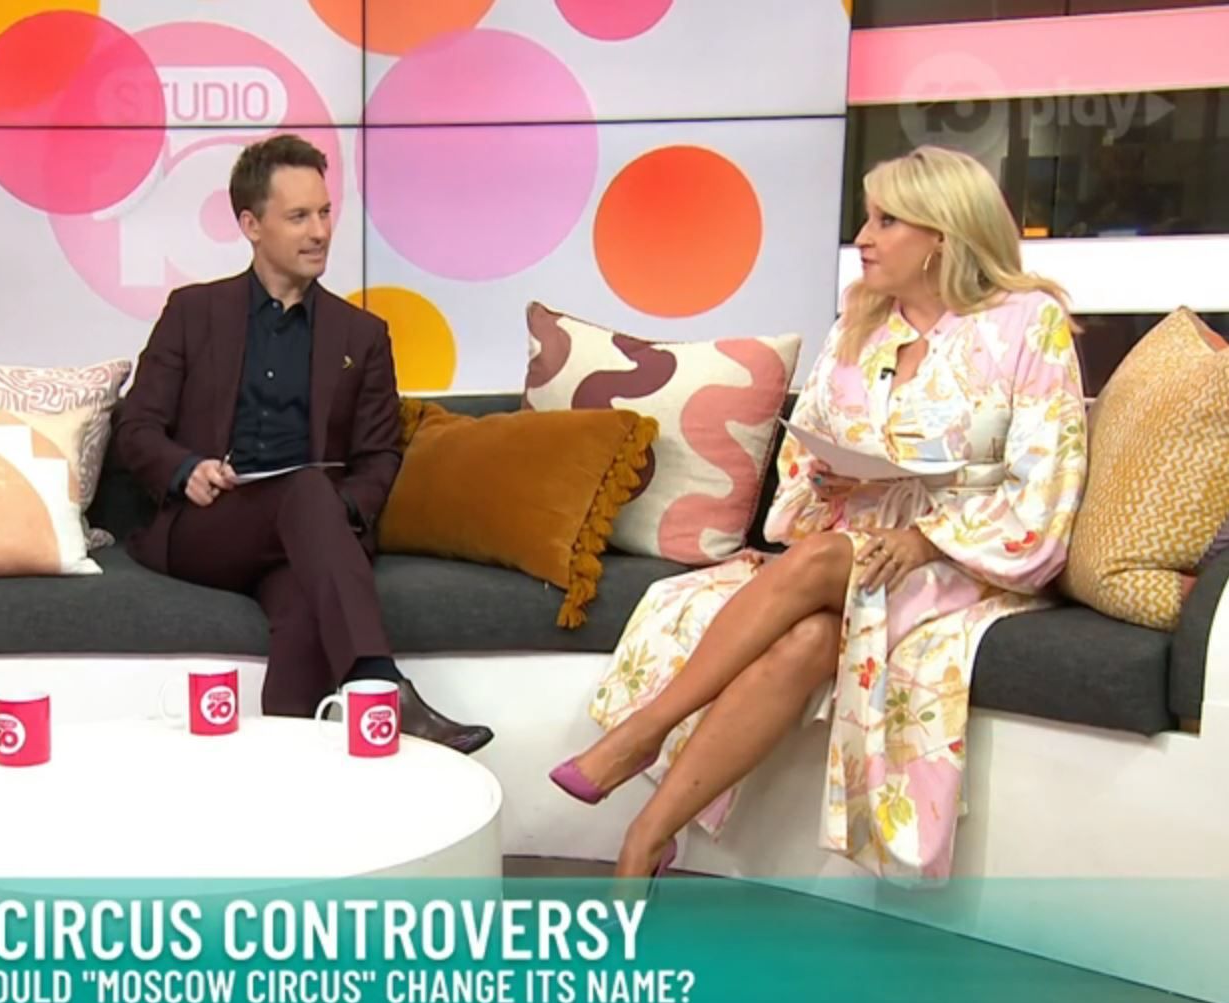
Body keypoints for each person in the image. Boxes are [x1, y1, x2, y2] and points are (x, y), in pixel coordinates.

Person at [549, 145, 1089, 882]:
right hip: (852, 541)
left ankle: (645, 729)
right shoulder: (861, 324)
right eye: (867, 218)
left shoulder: (1025, 324)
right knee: (807, 637)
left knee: (830, 559)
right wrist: (830, 482)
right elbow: (805, 458)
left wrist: (926, 539)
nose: (862, 238)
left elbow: (1036, 473)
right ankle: (645, 840)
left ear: (942, 234)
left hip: (964, 556)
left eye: (886, 221)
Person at [114, 134, 493, 754]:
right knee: (305, 492)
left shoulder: (362, 335)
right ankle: (383, 687)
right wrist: (187, 468)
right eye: (298, 217)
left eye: (324, 212)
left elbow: (379, 456)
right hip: (210, 526)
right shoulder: (192, 312)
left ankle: (291, 769)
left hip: (310, 533)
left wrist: (336, 514)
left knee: (303, 607)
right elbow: (136, 428)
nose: (319, 232)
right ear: (251, 225)